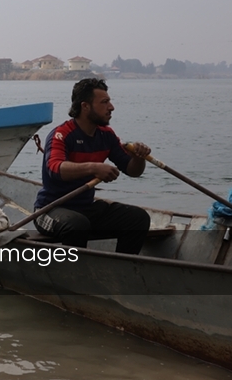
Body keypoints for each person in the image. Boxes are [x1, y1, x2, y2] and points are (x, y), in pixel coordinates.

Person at [34, 78, 151, 254]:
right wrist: (94, 168)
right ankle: (75, 274)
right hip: (50, 209)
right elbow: (55, 169)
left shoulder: (106, 135)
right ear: (85, 106)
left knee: (138, 218)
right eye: (104, 102)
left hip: (85, 209)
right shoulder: (62, 134)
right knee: (77, 225)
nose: (111, 107)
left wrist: (139, 158)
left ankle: (124, 270)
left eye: (109, 101)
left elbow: (132, 170)